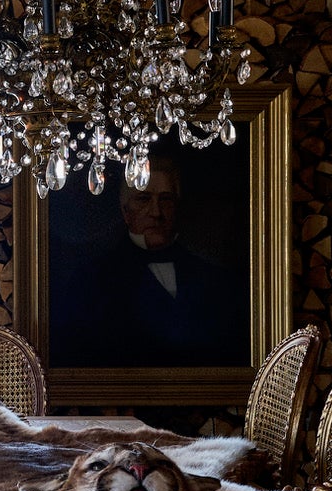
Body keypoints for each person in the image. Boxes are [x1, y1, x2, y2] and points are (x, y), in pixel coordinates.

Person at [55, 153, 249, 367]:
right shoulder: (91, 280)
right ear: (125, 210)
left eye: (165, 200)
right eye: (144, 199)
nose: (156, 212)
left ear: (177, 207)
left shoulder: (216, 280)